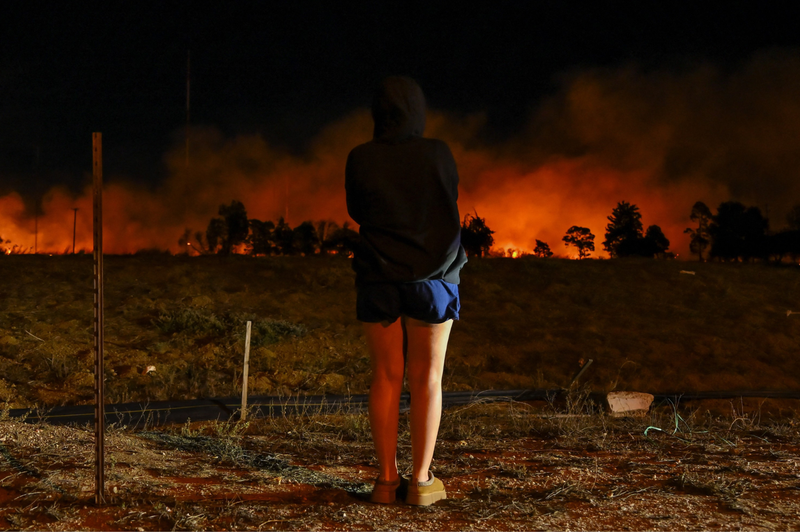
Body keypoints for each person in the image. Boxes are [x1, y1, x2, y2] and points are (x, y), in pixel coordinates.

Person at [345, 76, 467, 506]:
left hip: (378, 276)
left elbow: (356, 210)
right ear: (418, 110)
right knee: (427, 378)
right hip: (433, 278)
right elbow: (448, 199)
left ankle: (384, 480)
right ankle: (420, 481)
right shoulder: (438, 152)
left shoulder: (360, 157)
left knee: (385, 377)